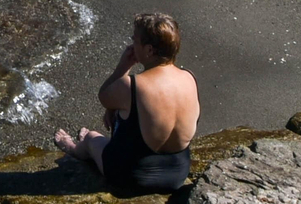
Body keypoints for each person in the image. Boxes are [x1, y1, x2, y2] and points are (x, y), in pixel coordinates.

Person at [54, 13, 200, 194]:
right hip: (177, 174)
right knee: (129, 114)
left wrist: (123, 66)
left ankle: (76, 148)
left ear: (148, 50)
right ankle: (100, 142)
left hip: (133, 176)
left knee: (92, 137)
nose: (131, 45)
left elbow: (104, 96)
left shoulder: (132, 86)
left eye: (135, 40)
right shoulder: (189, 78)